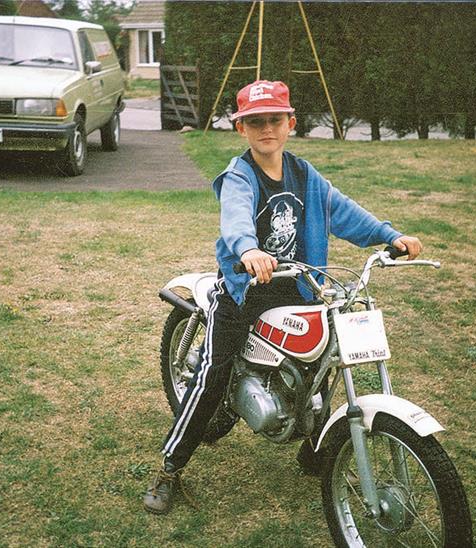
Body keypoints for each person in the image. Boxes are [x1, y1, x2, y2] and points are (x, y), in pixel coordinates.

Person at [143, 80, 423, 514]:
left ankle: (314, 446)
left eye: (274, 119)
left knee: (326, 354)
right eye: (255, 121)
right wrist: (248, 249)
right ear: (242, 129)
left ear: (290, 123)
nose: (266, 129)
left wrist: (390, 236)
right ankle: (170, 467)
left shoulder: (304, 174)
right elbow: (235, 216)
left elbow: (343, 211)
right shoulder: (240, 175)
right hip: (244, 290)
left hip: (298, 285)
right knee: (211, 377)